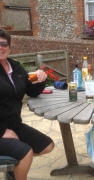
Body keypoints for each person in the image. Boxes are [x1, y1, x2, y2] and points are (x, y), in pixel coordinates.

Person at [0, 29, 54, 180]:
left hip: (15, 125)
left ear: (9, 47)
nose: (1, 47)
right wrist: (3, 131)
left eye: (4, 44)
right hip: (2, 130)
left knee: (47, 146)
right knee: (26, 153)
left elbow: (31, 90)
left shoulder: (15, 67)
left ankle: (12, 168)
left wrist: (41, 80)